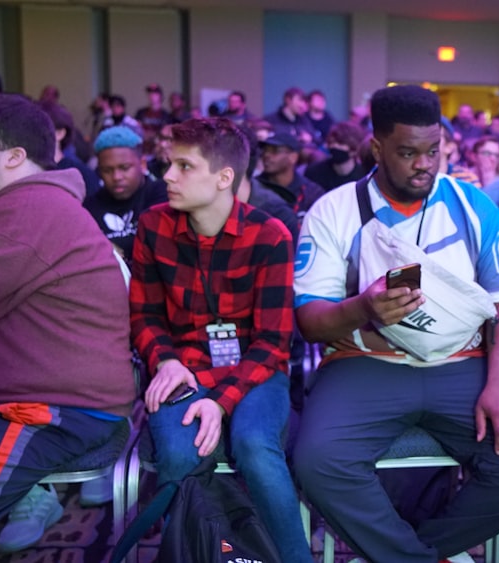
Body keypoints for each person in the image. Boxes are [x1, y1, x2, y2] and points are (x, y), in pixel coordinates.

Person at [292, 84, 499, 563]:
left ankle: (414, 552)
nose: (424, 164)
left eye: (433, 150)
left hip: (463, 363)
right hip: (364, 363)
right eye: (408, 152)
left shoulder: (472, 205)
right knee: (318, 462)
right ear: (376, 148)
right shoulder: (332, 211)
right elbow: (310, 322)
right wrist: (362, 308)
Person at [0, 94, 134, 559]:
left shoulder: (29, 209)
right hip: (22, 391)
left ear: (15, 157)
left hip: (50, 406)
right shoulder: (28, 204)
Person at [129, 117, 311, 563]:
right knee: (178, 455)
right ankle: (203, 553)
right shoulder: (153, 226)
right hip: (182, 367)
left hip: (253, 371)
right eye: (169, 164)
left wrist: (221, 400)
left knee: (254, 446)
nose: (167, 176)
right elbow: (145, 315)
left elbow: (272, 342)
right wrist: (165, 361)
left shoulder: (269, 236)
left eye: (184, 166)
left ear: (224, 177)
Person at [84, 125, 167, 261]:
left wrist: (104, 248)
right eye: (107, 170)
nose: (116, 177)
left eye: (124, 168)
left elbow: (156, 243)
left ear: (142, 164)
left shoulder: (160, 193)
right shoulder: (90, 207)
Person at [304, 121, 368, 191]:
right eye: (331, 142)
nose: (334, 146)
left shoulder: (365, 175)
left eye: (340, 143)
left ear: (354, 149)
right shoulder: (314, 172)